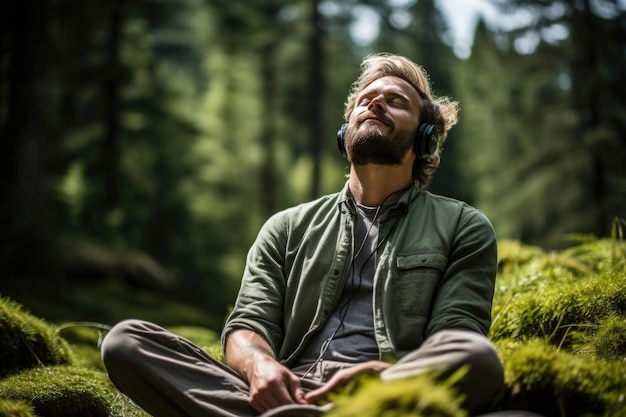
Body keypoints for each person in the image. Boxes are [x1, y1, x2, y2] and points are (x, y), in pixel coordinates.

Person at [101, 53, 505, 417]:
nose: (375, 103)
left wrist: (385, 378)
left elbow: (458, 338)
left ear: (426, 137)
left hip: (388, 398)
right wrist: (262, 367)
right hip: (280, 400)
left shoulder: (462, 226)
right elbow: (247, 325)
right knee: (126, 342)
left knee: (477, 357)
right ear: (346, 129)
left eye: (395, 101)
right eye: (366, 99)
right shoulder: (287, 226)